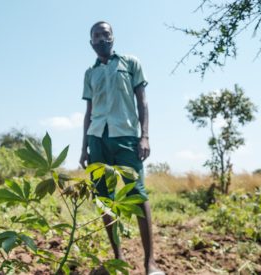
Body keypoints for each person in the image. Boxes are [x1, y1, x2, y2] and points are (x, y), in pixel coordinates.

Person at [79, 22, 164, 275]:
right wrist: (84, 147)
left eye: (105, 34)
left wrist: (145, 136)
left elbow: (143, 103)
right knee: (104, 199)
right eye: (96, 35)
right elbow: (89, 112)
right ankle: (118, 260)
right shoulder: (90, 73)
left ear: (113, 38)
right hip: (97, 139)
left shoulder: (130, 63)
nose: (101, 38)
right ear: (91, 42)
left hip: (126, 136)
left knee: (137, 195)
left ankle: (150, 263)